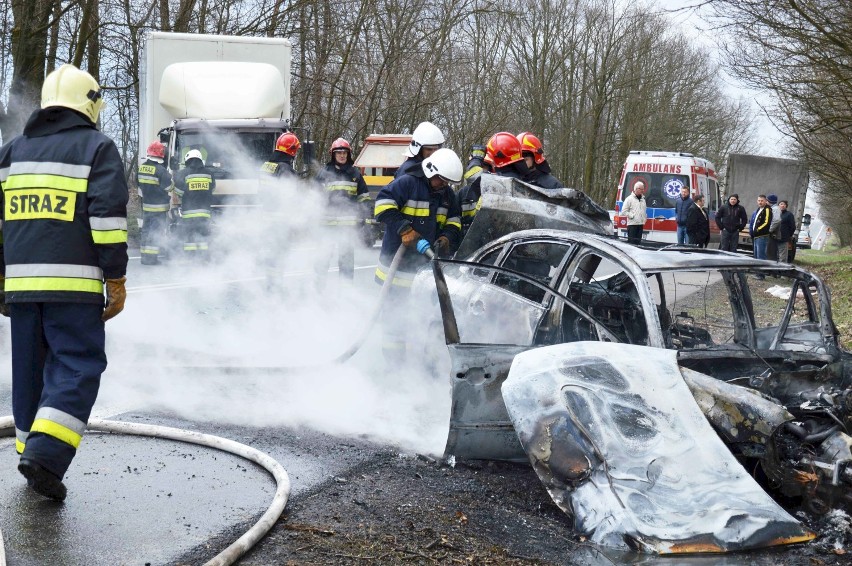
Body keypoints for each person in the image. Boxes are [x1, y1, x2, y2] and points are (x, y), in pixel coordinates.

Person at [0, 64, 129, 501]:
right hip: (73, 288)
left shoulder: (12, 151)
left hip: (20, 289)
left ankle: (30, 453)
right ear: (90, 103)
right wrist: (116, 277)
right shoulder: (96, 147)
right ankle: (45, 456)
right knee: (77, 366)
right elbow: (108, 218)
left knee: (30, 374)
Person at [374, 148, 462, 362]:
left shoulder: (447, 196)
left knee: (421, 320)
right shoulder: (408, 183)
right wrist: (404, 228)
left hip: (423, 272)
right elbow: (381, 205)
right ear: (431, 172)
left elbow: (454, 221)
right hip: (396, 270)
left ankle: (420, 369)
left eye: (447, 182)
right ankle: (392, 366)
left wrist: (447, 237)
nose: (444, 185)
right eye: (441, 180)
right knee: (395, 321)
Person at [314, 137, 371, 281]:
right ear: (333, 154)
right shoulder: (323, 173)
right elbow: (315, 198)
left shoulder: (355, 174)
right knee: (322, 260)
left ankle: (345, 294)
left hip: (348, 228)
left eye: (345, 153)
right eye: (339, 152)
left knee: (346, 263)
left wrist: (366, 225)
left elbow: (364, 199)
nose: (342, 155)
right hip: (326, 227)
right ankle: (318, 290)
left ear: (349, 155)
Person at [457, 132, 529, 238]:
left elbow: (472, 175)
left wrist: (476, 158)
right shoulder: (520, 181)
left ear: (497, 158)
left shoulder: (499, 182)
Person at [173, 149, 216, 261]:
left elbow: (179, 192)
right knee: (203, 234)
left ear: (188, 160)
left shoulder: (183, 173)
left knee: (190, 236)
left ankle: (190, 258)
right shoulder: (209, 173)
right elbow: (213, 188)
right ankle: (203, 257)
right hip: (205, 212)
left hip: (189, 213)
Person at [138, 140, 173, 265]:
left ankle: (144, 257)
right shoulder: (161, 170)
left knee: (146, 231)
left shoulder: (142, 168)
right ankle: (152, 259)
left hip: (147, 206)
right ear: (161, 154)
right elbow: (170, 188)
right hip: (159, 208)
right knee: (155, 232)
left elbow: (140, 185)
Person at [749, 194, 772, 260]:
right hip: (756, 235)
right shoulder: (759, 209)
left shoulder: (767, 209)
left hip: (762, 235)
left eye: (762, 201)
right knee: (756, 256)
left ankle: (763, 270)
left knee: (761, 256)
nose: (760, 202)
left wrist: (758, 229)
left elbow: (767, 222)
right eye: (759, 200)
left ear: (766, 201)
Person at [766, 193, 782, 261]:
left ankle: (771, 270)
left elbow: (777, 220)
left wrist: (769, 230)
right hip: (771, 234)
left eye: (767, 200)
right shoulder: (773, 208)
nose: (766, 202)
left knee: (771, 254)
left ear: (770, 201)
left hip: (772, 235)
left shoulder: (775, 209)